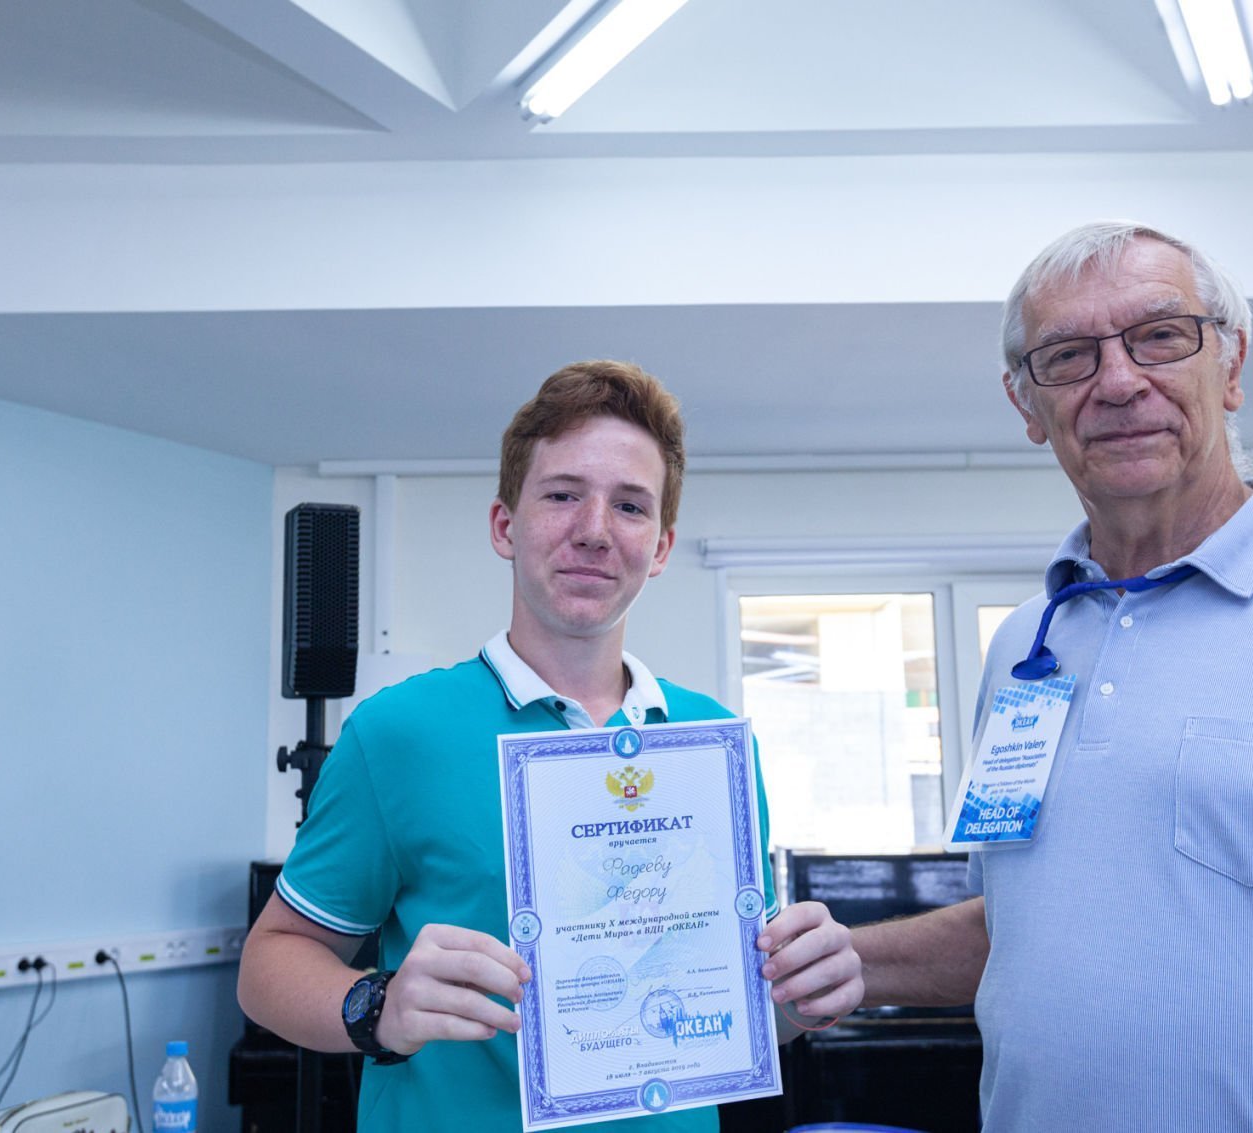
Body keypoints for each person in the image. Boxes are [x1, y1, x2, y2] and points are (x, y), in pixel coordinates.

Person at [853, 221, 1253, 1130]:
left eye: (1160, 335)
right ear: (1027, 405)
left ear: (1231, 365)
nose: (1118, 381)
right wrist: (844, 959)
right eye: (1067, 356)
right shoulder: (1025, 645)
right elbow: (1023, 925)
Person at [239, 360, 864, 1132]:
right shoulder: (397, 732)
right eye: (563, 494)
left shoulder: (712, 744)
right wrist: (379, 1005)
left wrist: (805, 996)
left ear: (661, 546)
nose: (595, 530)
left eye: (629, 505)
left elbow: (744, 1013)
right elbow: (268, 962)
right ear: (505, 525)